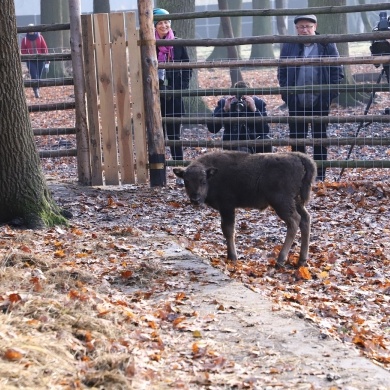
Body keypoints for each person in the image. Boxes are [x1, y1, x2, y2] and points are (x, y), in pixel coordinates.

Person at [277, 15, 344, 181]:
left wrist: (329, 95)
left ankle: (320, 175)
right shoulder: (289, 46)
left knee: (319, 137)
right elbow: (282, 72)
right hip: (296, 100)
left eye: (307, 26)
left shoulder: (326, 44)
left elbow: (337, 71)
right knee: (297, 138)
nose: (304, 30)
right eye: (300, 27)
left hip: (320, 100)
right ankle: (298, 176)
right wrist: (287, 93)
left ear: (315, 26)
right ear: (296, 29)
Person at [153, 8, 192, 183]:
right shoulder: (149, 43)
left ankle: (180, 173)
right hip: (155, 97)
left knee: (175, 136)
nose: (164, 25)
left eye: (166, 22)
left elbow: (187, 68)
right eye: (160, 22)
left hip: (175, 96)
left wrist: (181, 88)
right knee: (156, 135)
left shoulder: (178, 43)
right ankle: (158, 174)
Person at [207, 81, 272, 153]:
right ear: (233, 95)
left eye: (245, 97)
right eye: (238, 97)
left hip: (254, 141)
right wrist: (224, 110)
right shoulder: (226, 102)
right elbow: (212, 129)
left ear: (251, 95)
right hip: (232, 141)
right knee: (243, 151)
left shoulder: (257, 103)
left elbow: (265, 131)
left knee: (267, 140)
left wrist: (255, 110)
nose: (241, 101)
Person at [21, 24, 49, 98]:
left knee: (39, 76)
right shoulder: (25, 39)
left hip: (40, 60)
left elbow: (44, 48)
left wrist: (46, 59)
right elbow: (23, 50)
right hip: (30, 61)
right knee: (34, 75)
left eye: (32, 28)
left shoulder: (40, 37)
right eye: (29, 29)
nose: (30, 30)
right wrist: (27, 57)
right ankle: (36, 91)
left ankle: (37, 89)